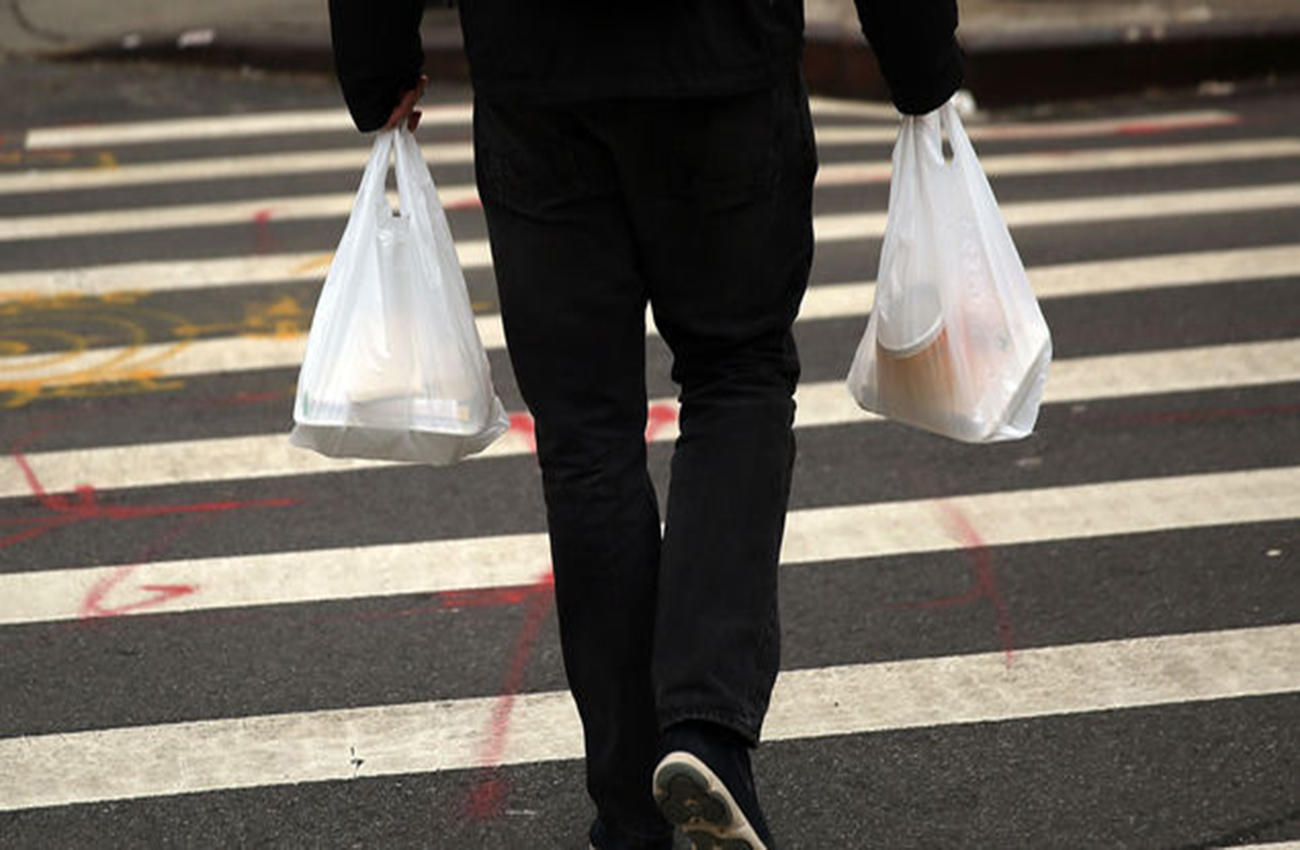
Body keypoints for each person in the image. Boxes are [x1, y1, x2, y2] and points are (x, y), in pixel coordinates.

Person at [328, 3, 963, 847]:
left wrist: (375, 64)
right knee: (737, 377)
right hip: (721, 63)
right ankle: (704, 730)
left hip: (538, 78)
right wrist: (917, 55)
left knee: (586, 438)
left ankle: (632, 811)